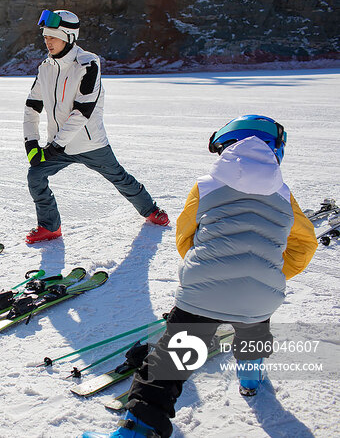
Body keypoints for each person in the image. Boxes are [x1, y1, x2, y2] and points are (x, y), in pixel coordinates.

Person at [84, 115, 317, 438]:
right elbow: (306, 243)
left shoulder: (206, 185)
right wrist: (270, 272)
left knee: (168, 366)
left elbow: (185, 236)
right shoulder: (284, 195)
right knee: (254, 328)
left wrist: (205, 269)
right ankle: (250, 379)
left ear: (225, 148)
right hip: (260, 295)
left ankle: (138, 431)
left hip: (202, 293)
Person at [23, 9, 169, 244]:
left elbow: (83, 112)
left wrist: (54, 146)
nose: (47, 41)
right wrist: (31, 141)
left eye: (53, 36)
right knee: (36, 175)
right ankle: (50, 226)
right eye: (45, 37)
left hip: (89, 143)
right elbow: (32, 106)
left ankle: (151, 210)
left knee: (119, 178)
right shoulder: (45, 67)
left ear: (69, 36)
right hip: (58, 146)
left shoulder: (88, 63)